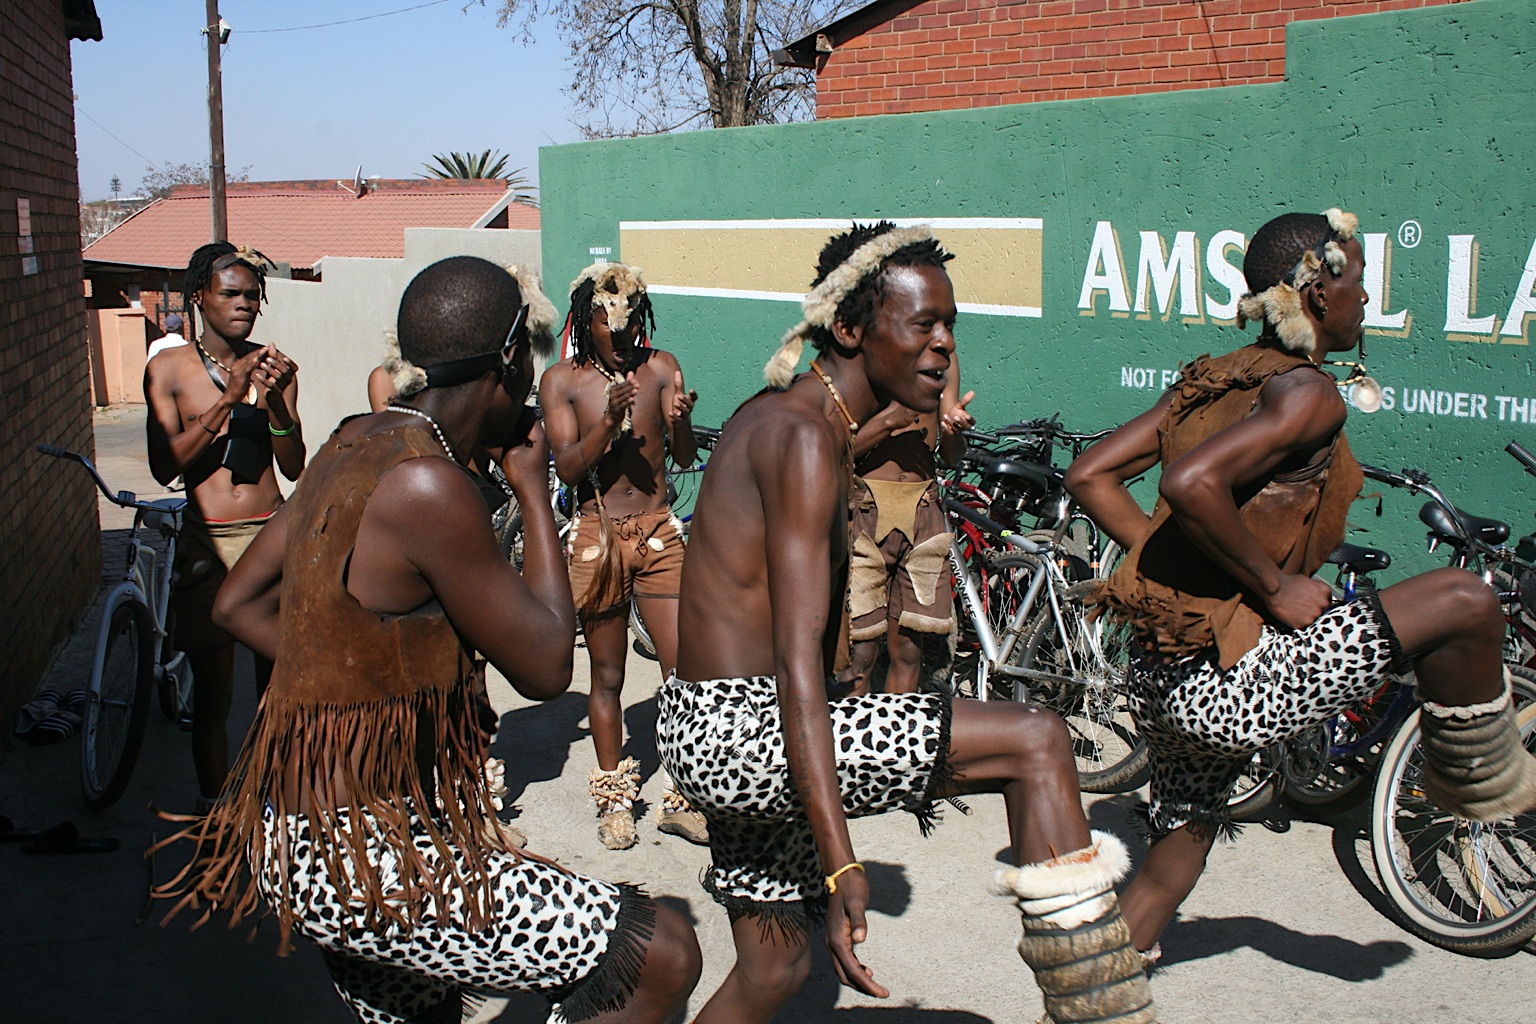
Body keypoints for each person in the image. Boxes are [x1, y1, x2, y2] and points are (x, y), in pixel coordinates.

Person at [157, 256, 701, 1024]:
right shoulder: (430, 485)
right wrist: (533, 489)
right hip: (355, 853)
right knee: (660, 952)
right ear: (511, 357)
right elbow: (548, 664)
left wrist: (362, 675)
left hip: (309, 834)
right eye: (530, 354)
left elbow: (236, 602)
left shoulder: (354, 441)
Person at [659, 222, 1157, 1024]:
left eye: (950, 325)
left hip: (712, 728)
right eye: (923, 325)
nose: (942, 348)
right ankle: (1100, 1010)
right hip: (745, 732)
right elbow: (795, 668)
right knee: (1036, 740)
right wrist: (839, 860)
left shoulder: (795, 417)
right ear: (851, 329)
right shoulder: (803, 437)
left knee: (776, 969)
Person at [1065, 208, 1536, 962]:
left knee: (1185, 836)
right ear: (1317, 293)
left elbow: (1088, 474)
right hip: (1225, 687)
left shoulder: (1211, 377)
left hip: (1158, 679)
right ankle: (1473, 785)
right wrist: (1273, 585)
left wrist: (1192, 566)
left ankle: (1088, 977)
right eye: (1361, 285)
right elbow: (1193, 482)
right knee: (1465, 600)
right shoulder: (1310, 393)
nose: (1369, 303)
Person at [539, 263, 708, 850]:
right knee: (608, 673)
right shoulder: (562, 381)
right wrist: (609, 420)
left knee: (685, 670)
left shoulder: (661, 367)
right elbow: (565, 468)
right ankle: (614, 799)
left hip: (660, 531)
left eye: (634, 313)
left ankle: (683, 795)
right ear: (587, 316)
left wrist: (680, 424)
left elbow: (682, 458)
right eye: (611, 315)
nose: (625, 324)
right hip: (598, 533)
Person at [144, 242, 303, 809]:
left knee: (278, 690)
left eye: (252, 296)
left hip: (270, 535)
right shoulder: (169, 370)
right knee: (212, 698)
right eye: (230, 293)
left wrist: (277, 405)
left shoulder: (274, 365)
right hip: (207, 541)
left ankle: (278, 812)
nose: (244, 305)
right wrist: (231, 399)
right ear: (199, 299)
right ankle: (218, 822)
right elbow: (165, 465)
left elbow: (292, 464)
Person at [842, 352, 974, 695]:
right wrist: (889, 421)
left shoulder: (942, 361)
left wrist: (953, 430)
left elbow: (951, 454)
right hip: (865, 514)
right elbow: (837, 447)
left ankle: (893, 742)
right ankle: (850, 743)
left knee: (909, 651)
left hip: (924, 514)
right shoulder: (865, 355)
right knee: (861, 651)